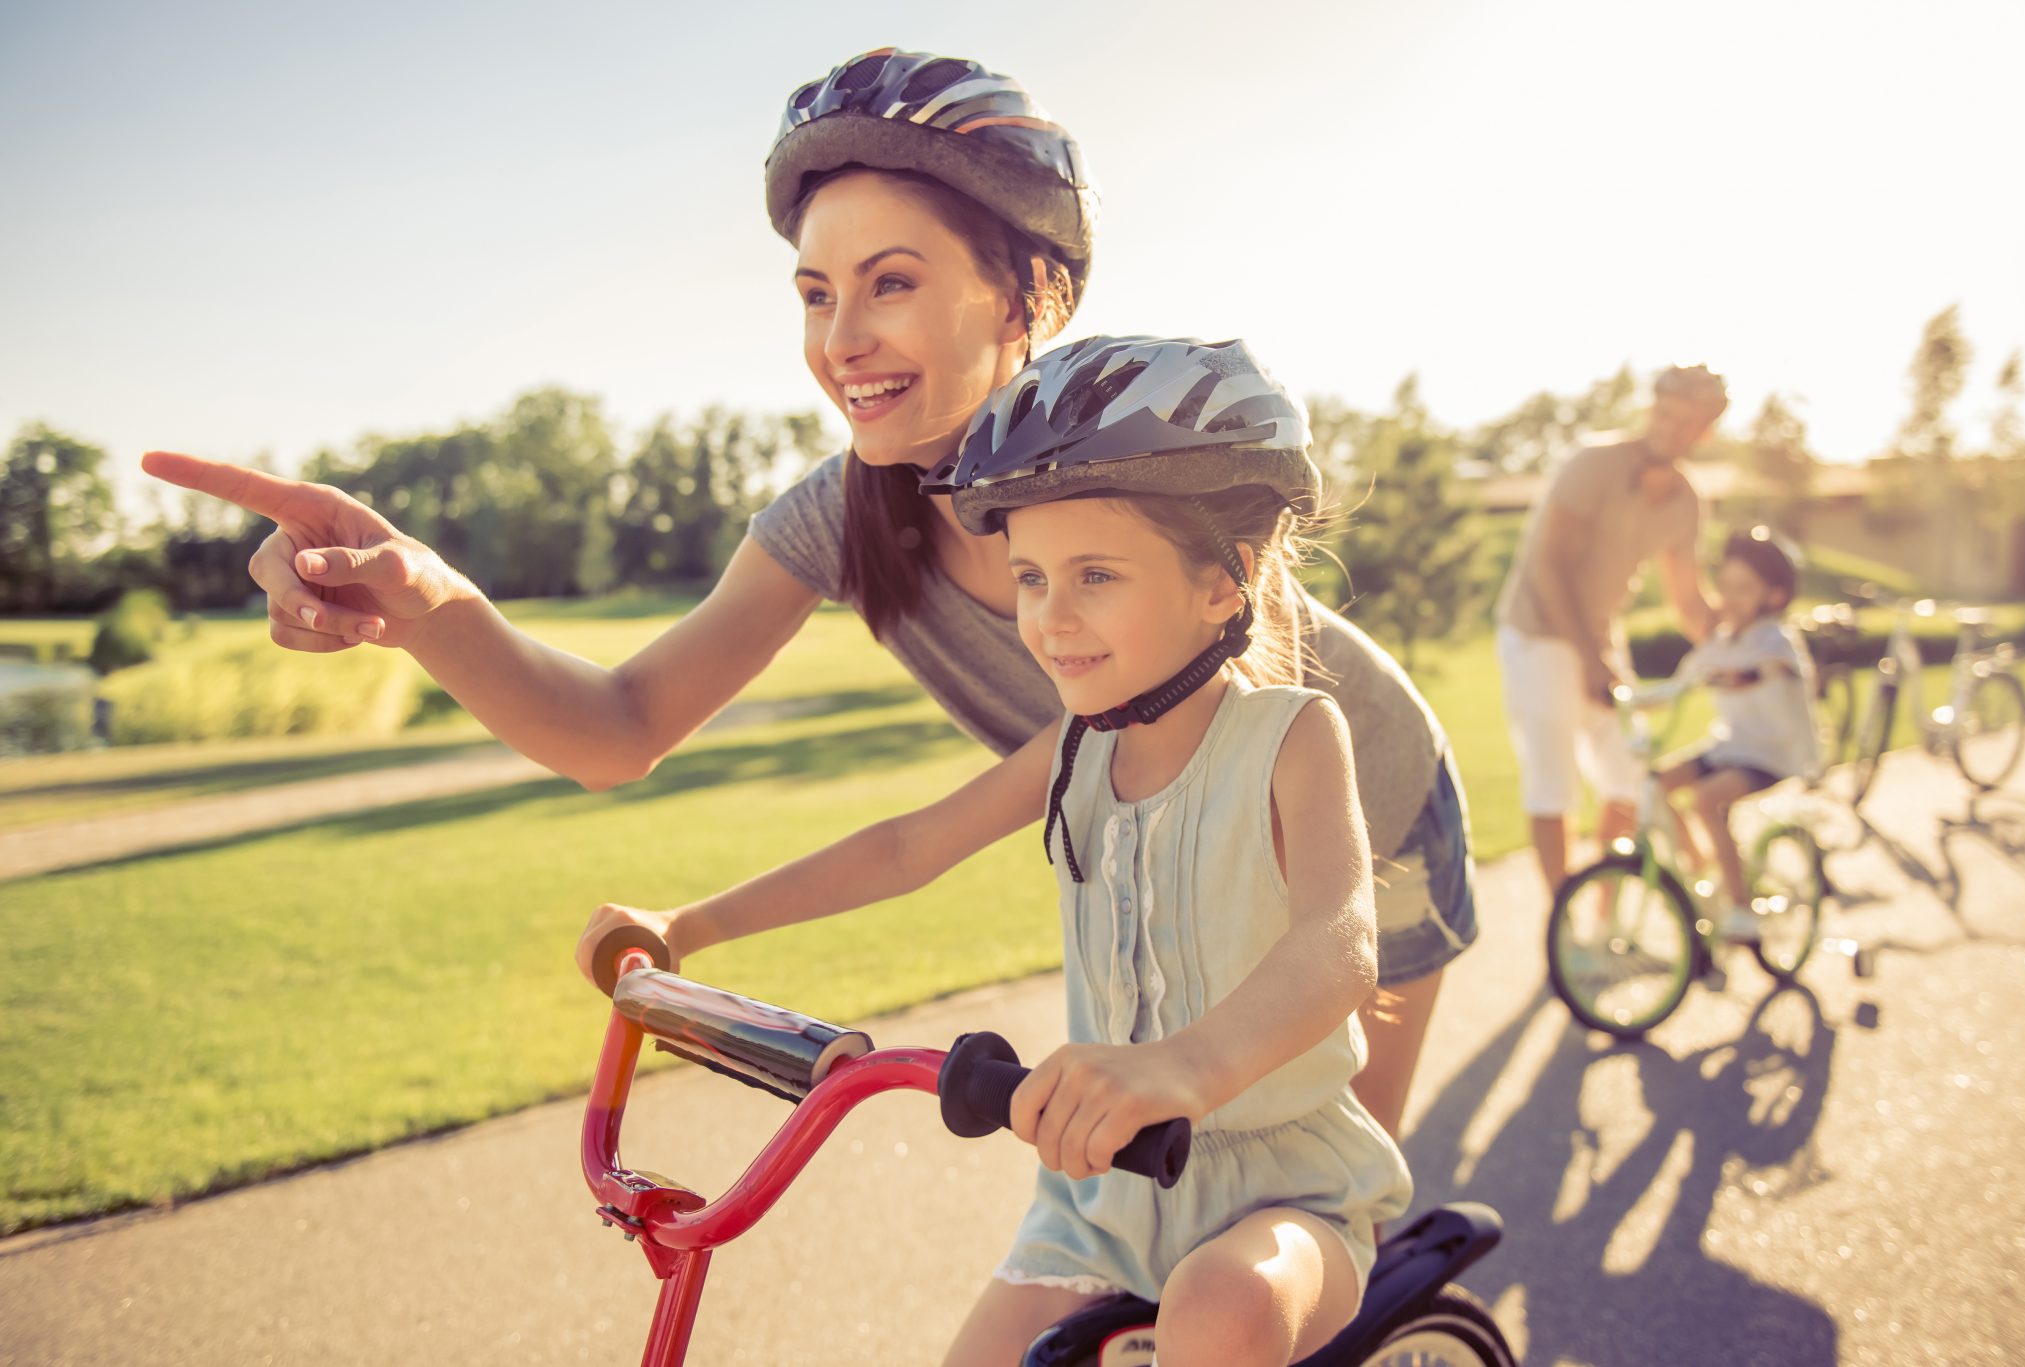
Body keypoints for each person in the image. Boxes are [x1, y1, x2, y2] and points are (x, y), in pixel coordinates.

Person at [139, 47, 1473, 1140]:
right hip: (1174, 859)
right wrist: (429, 600)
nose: (842, 342)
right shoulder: (843, 516)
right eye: (817, 293)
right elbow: (619, 727)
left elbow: (1255, 819)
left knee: (1292, 1213)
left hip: (1356, 835)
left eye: (892, 284)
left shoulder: (1140, 476)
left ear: (1027, 294)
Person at [578, 336, 1413, 1367]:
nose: (1049, 618)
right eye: (1029, 576)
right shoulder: (1071, 750)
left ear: (1222, 582)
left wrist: (1185, 1067)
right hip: (1098, 1201)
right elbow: (902, 848)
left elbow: (1338, 945)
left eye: (1094, 575)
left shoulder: (1288, 735)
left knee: (1221, 1308)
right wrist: (687, 924)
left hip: (1284, 1193)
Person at [1492, 363, 1726, 895]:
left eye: (1687, 422)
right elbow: (1551, 567)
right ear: (1651, 409)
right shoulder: (1592, 465)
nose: (1671, 428)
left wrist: (1741, 650)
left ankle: (1602, 915)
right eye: (1665, 414)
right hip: (1538, 633)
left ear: (1704, 432)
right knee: (1555, 787)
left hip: (1598, 636)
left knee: (1629, 781)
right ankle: (1564, 925)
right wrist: (1592, 659)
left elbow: (1688, 598)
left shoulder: (1686, 500)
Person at [1655, 526, 1820, 937]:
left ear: (1774, 597)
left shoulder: (1776, 641)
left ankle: (1741, 906)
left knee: (1706, 799)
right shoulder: (1720, 641)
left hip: (1774, 754)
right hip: (1730, 746)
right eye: (1724, 586)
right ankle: (1703, 867)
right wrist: (1620, 695)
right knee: (1655, 784)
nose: (1728, 597)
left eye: (1743, 588)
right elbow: (1675, 686)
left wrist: (1741, 676)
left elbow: (1769, 670)